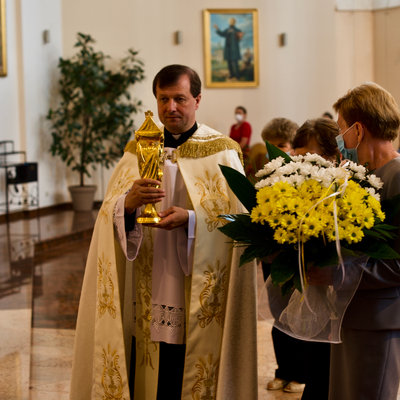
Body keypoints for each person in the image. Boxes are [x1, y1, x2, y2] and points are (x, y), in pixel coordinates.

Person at [69, 64, 258, 400]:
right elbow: (106, 216)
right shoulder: (135, 150)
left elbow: (241, 224)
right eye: (164, 99)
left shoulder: (223, 151)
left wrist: (191, 218)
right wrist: (128, 204)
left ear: (197, 100)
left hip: (197, 290)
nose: (171, 107)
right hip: (147, 286)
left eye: (180, 99)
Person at [328, 82, 400, 400]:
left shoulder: (397, 178)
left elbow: (396, 264)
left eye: (341, 130)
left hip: (379, 320)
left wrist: (334, 273)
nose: (340, 140)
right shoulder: (362, 176)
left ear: (358, 130)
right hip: (351, 312)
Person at [292, 118, 340, 400]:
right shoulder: (296, 188)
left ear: (333, 155)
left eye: (311, 157)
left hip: (342, 294)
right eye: (298, 158)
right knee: (316, 365)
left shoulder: (345, 189)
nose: (304, 166)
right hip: (313, 291)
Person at [229, 106, 252, 172]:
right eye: (236, 113)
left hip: (242, 152)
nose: (237, 115)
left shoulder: (246, 125)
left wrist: (234, 151)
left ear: (245, 115)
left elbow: (244, 142)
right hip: (232, 151)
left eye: (239, 113)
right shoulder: (233, 126)